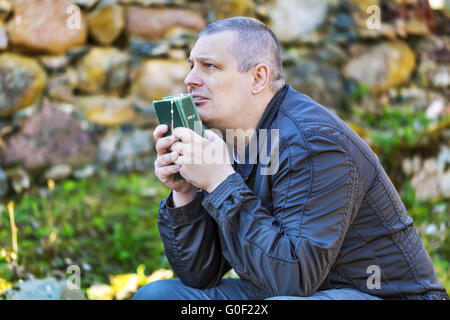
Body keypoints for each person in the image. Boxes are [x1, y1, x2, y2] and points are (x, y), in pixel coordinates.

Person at [133, 17, 449, 300]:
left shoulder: (314, 142)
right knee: (159, 295)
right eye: (191, 65)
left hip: (375, 295)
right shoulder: (232, 140)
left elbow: (295, 279)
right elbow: (199, 274)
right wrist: (185, 191)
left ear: (258, 78)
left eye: (209, 66)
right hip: (285, 289)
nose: (190, 79)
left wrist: (219, 182)